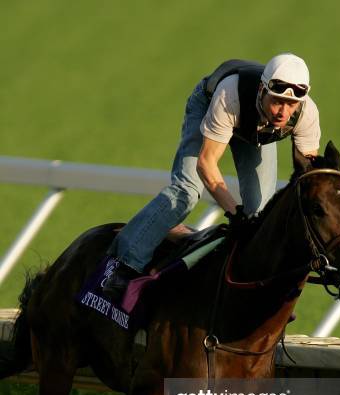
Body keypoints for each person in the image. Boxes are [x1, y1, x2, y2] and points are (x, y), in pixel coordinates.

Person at [103, 53, 321, 300]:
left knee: (260, 213)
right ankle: (123, 264)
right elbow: (206, 164)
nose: (283, 112)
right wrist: (234, 212)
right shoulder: (231, 95)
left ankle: (250, 287)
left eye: (291, 105)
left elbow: (309, 178)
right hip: (211, 106)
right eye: (277, 101)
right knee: (186, 191)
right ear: (262, 89)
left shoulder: (307, 113)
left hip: (255, 131)